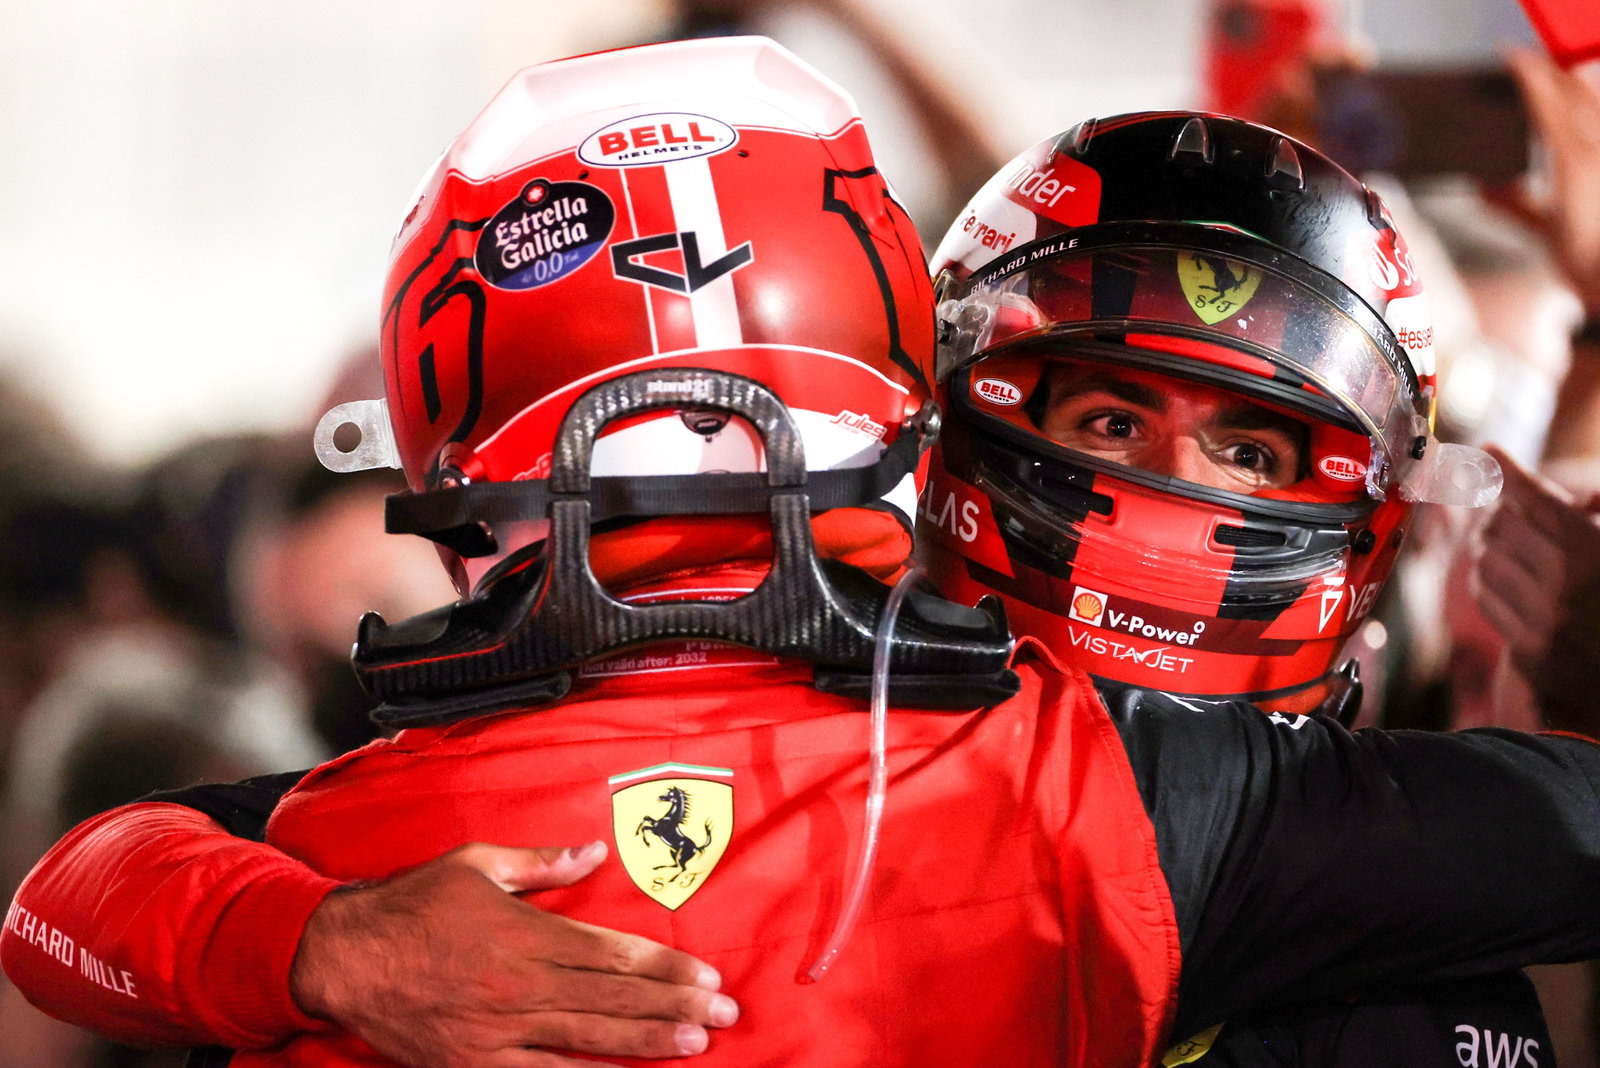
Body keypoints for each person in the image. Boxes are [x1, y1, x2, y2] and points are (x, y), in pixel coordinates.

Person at [10, 39, 1600, 1068]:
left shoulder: (393, 830)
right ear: (926, 425)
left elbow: (73, 897)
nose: (1164, 501)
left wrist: (313, 945)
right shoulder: (1112, 795)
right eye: (1111, 422)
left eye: (1249, 450)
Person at [919, 113, 1553, 1065]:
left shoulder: (1410, 980)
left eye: (1248, 454)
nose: (1177, 481)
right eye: (1114, 423)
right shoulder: (803, 779)